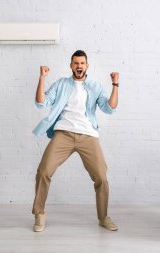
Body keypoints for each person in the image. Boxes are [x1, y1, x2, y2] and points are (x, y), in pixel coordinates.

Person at [32, 50, 119, 232]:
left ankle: (103, 217)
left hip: (88, 135)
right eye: (75, 63)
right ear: (71, 65)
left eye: (82, 63)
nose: (79, 66)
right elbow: (41, 103)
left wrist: (115, 84)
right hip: (63, 133)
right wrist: (42, 78)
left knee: (101, 177)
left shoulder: (95, 86)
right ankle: (39, 214)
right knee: (43, 171)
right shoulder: (61, 84)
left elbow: (109, 109)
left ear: (87, 66)